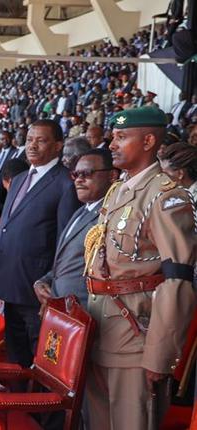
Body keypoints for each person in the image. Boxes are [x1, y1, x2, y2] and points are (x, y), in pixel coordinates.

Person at [84, 106, 196, 429]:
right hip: (101, 332)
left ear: (148, 141)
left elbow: (178, 279)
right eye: (112, 137)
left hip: (136, 342)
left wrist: (159, 356)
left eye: (121, 137)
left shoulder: (166, 198)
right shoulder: (119, 189)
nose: (112, 145)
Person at [0, 119, 80, 370]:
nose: (33, 145)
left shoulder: (64, 183)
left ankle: (38, 408)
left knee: (41, 360)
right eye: (30, 140)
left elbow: (64, 241)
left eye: (41, 140)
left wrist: (50, 283)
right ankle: (18, 406)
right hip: (9, 284)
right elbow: (7, 230)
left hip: (37, 290)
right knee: (15, 356)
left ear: (57, 146)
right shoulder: (18, 179)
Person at [33, 148, 119, 308]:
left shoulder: (112, 215)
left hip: (88, 313)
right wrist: (44, 281)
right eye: (75, 174)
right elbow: (69, 262)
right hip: (61, 307)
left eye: (86, 173)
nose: (78, 180)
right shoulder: (82, 210)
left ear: (112, 176)